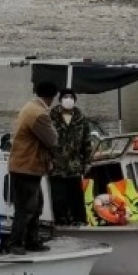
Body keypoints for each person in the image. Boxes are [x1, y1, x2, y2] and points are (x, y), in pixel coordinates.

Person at [6, 80, 59, 254]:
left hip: (24, 165)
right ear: (51, 97)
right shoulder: (39, 114)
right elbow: (51, 140)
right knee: (26, 208)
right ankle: (16, 243)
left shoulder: (29, 107)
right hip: (26, 167)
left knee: (35, 206)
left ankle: (32, 241)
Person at [48, 88, 93, 225]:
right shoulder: (51, 118)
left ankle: (80, 221)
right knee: (59, 198)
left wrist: (87, 162)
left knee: (76, 197)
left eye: (71, 97)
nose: (68, 99)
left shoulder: (81, 119)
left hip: (74, 166)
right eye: (65, 97)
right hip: (56, 165)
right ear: (60, 100)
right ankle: (61, 223)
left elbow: (86, 142)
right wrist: (47, 160)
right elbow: (44, 142)